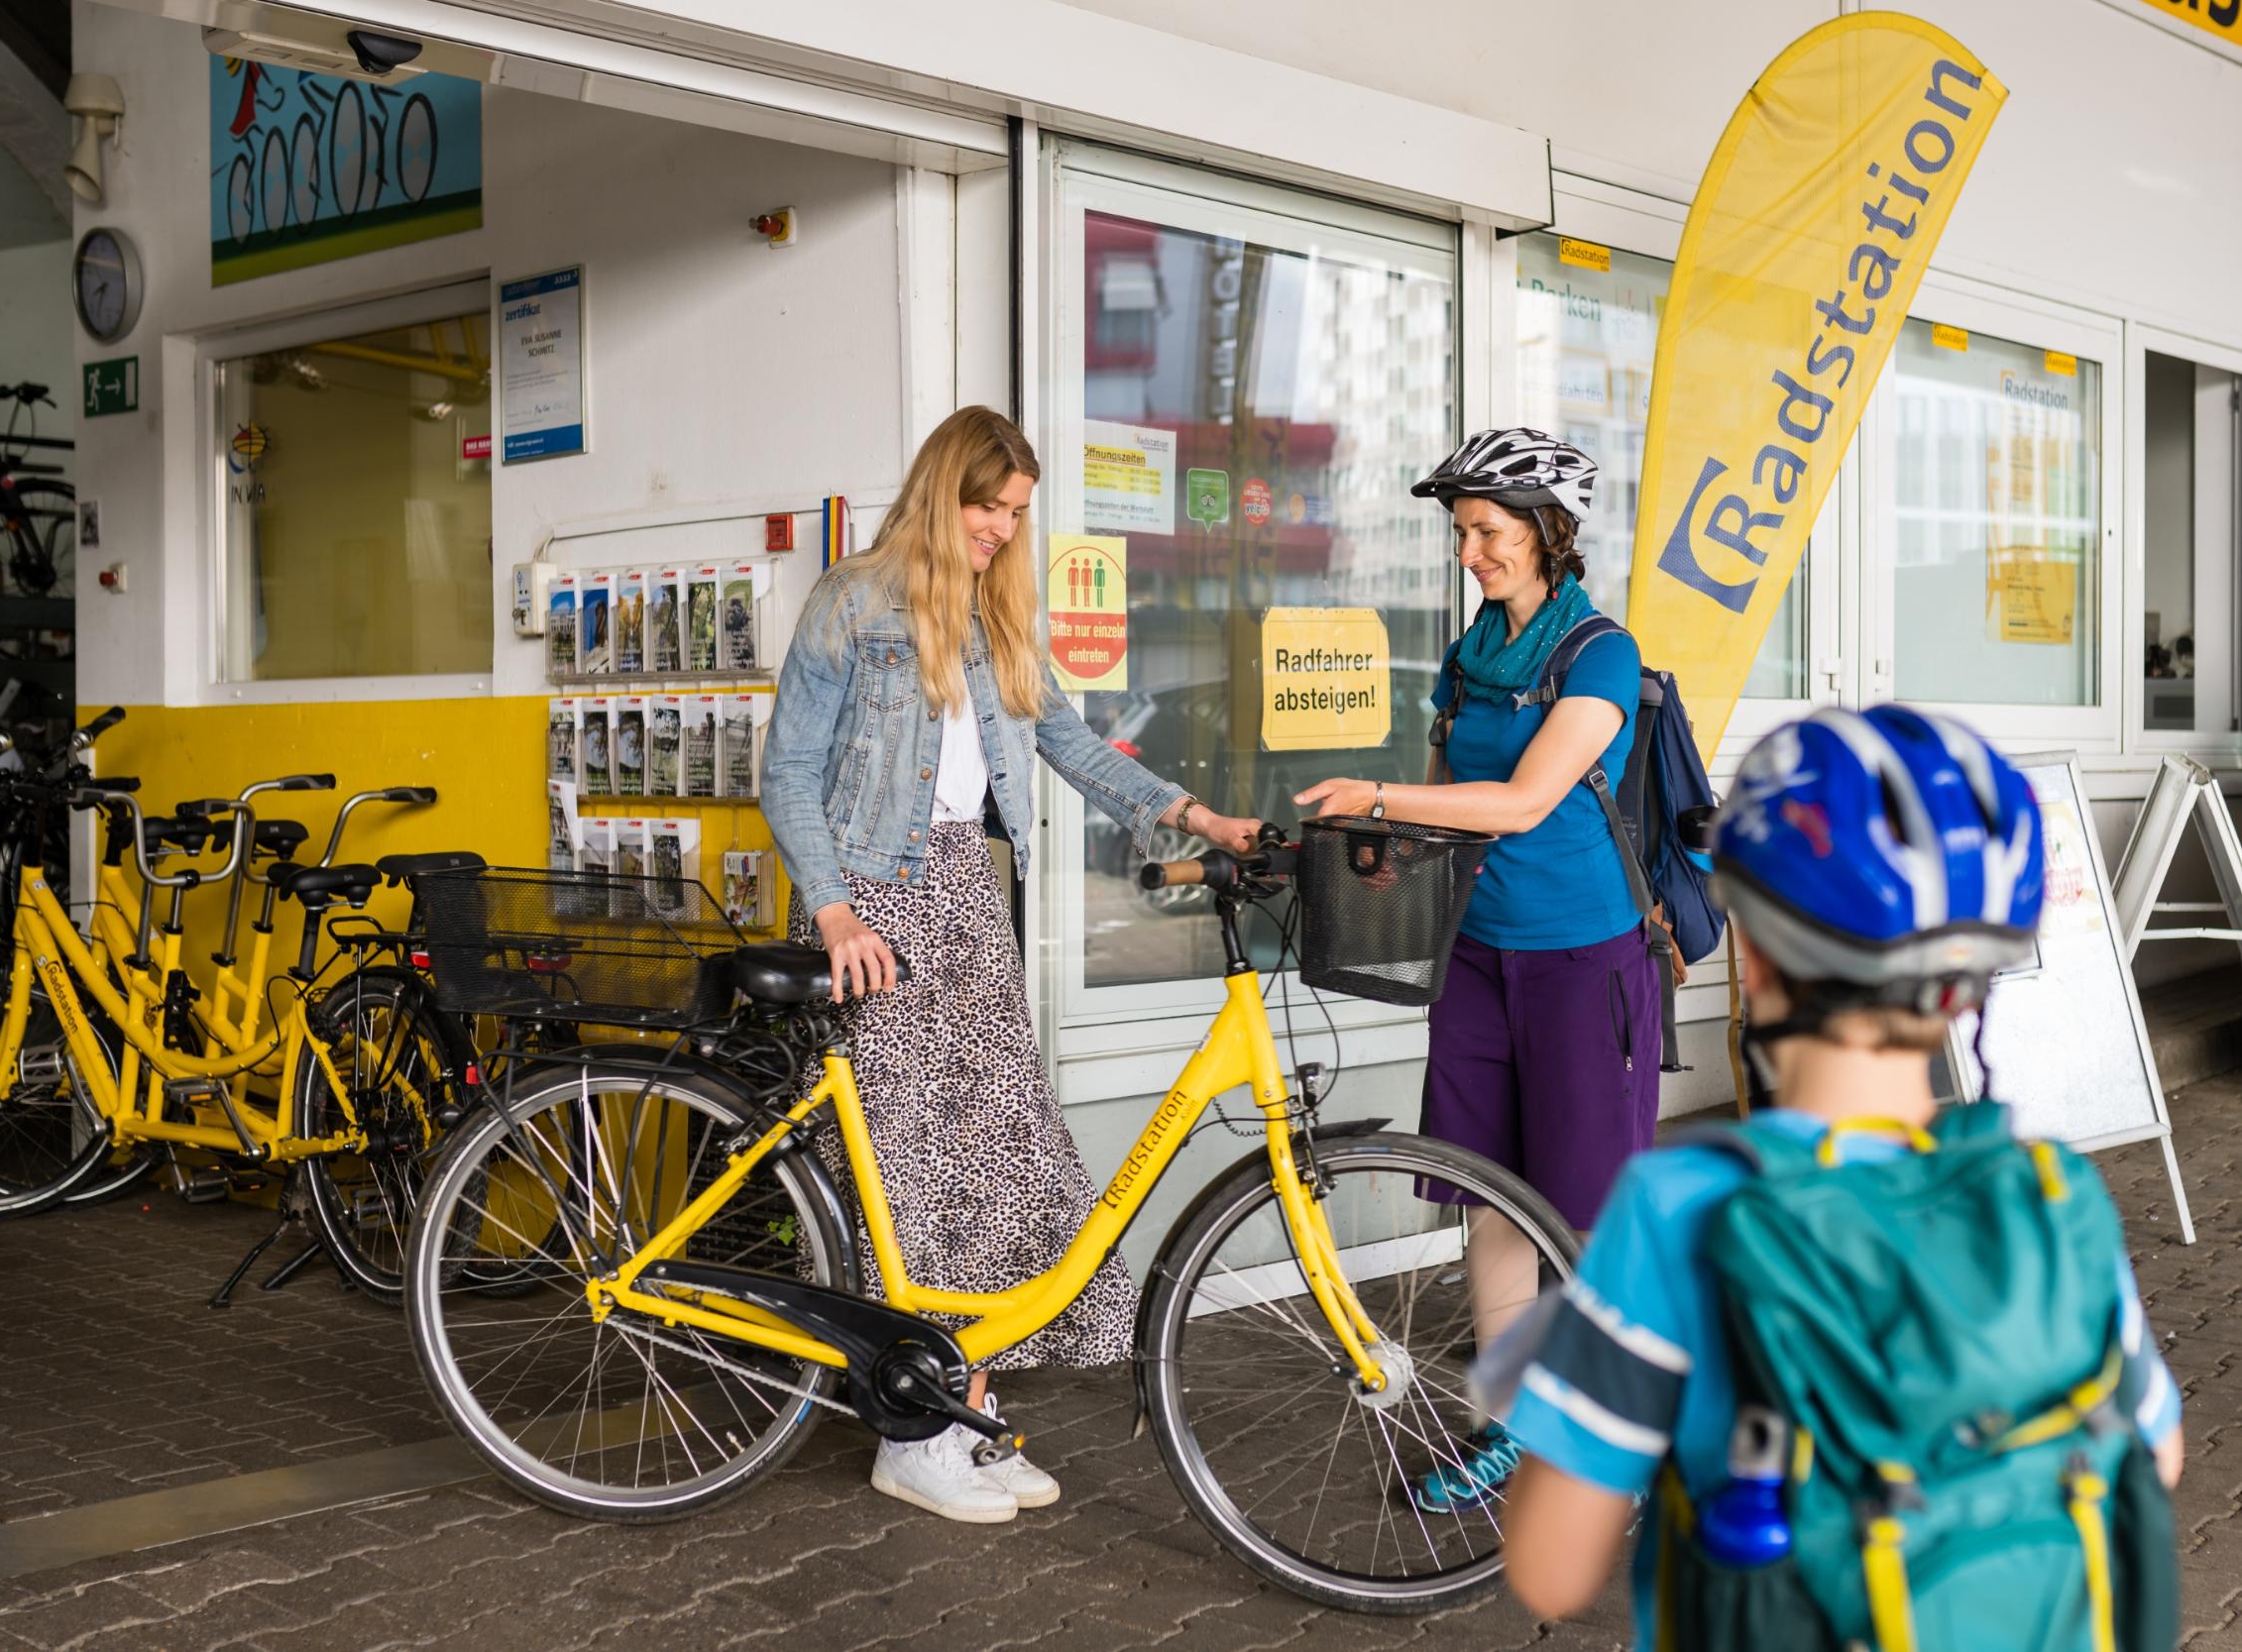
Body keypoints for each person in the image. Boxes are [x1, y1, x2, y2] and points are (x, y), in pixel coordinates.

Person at [1494, 706, 2184, 1648]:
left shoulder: (1682, 1208)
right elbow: (2158, 1451)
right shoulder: (2051, 1190)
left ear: (1761, 952)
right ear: (1970, 982)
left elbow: (1549, 1568)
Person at [761, 405, 1260, 1525]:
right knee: (901, 1170)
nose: (1000, 528)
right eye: (989, 505)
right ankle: (911, 1429)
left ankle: (966, 1409)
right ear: (945, 489)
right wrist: (835, 916)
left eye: (1017, 512)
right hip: (870, 907)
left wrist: (1192, 815)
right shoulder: (851, 601)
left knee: (999, 1151)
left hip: (962, 900)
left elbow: (1071, 743)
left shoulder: (994, 616)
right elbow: (788, 773)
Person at [1292, 427, 1651, 1511]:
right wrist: (1382, 844)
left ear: (1545, 533)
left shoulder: (1598, 653)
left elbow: (1523, 801)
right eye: (1460, 533)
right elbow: (1449, 798)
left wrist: (1379, 797)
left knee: (1583, 1212)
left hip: (1585, 960)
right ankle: (1502, 1428)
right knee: (1491, 1203)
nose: (1469, 552)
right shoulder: (1470, 653)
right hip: (1479, 959)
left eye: (1486, 531)